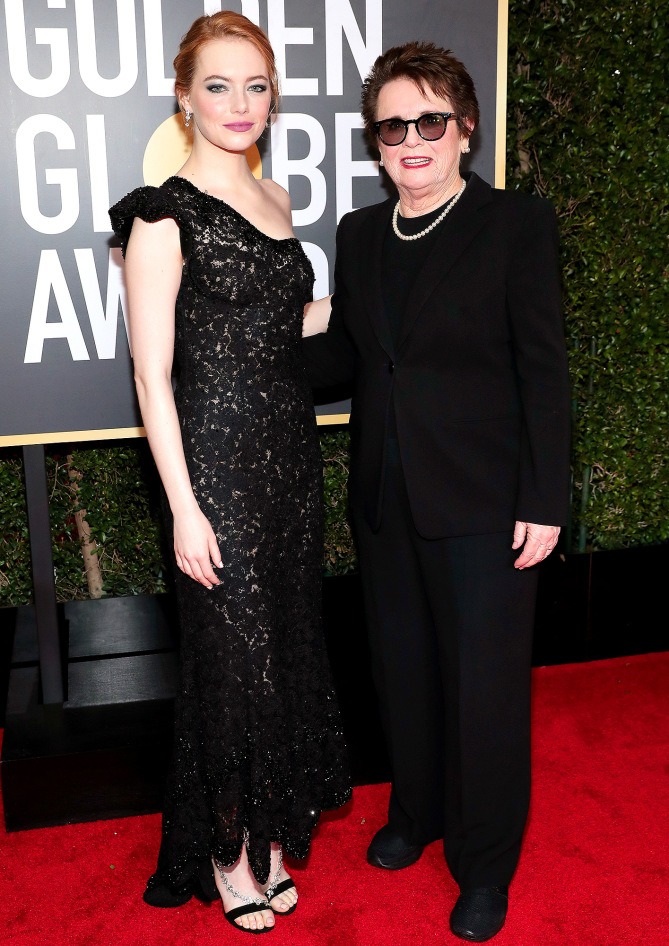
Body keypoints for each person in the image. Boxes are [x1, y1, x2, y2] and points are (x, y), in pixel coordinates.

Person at [302, 42, 571, 942]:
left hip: (487, 505)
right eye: (392, 125)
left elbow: (543, 370)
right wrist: (252, 353)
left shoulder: (513, 226)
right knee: (403, 675)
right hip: (384, 499)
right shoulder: (359, 234)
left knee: (485, 693)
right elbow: (345, 357)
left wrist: (544, 499)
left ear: (464, 131)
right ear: (376, 142)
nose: (410, 139)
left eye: (429, 121)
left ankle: (484, 863)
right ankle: (416, 814)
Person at [109, 11, 350, 936]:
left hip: (290, 459)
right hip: (211, 464)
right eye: (218, 84)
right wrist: (182, 505)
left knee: (286, 651)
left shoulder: (279, 199)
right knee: (233, 663)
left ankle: (274, 829)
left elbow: (274, 325)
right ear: (185, 97)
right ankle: (226, 852)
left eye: (255, 85)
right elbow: (150, 372)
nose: (238, 103)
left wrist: (375, 296)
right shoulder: (162, 212)